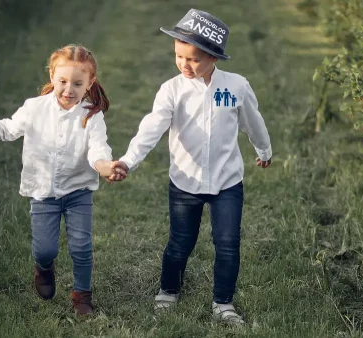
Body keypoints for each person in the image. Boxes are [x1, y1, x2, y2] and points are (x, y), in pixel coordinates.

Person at [112, 9, 272, 324]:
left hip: (227, 182)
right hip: (185, 184)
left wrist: (264, 148)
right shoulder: (172, 90)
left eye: (194, 59)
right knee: (180, 241)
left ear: (214, 57)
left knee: (227, 244)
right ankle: (168, 291)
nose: (185, 64)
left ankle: (223, 303)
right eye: (179, 56)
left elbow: (253, 122)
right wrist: (128, 161)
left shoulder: (236, 86)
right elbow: (151, 129)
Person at [0, 44, 125, 317]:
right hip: (43, 193)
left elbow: (98, 150)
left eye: (77, 83)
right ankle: (44, 268)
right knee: (44, 249)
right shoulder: (35, 108)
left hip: (78, 193)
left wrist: (105, 166)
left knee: (81, 247)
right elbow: (7, 128)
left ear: (90, 83)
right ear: (52, 76)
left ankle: (82, 296)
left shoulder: (91, 115)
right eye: (63, 81)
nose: (68, 89)